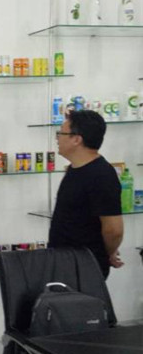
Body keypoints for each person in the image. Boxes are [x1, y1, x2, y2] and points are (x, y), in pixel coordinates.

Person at [48, 109, 124, 278]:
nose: (57, 138)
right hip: (63, 261)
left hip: (84, 267)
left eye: (61, 133)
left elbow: (114, 230)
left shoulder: (101, 175)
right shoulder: (74, 168)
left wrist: (108, 253)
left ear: (76, 139)